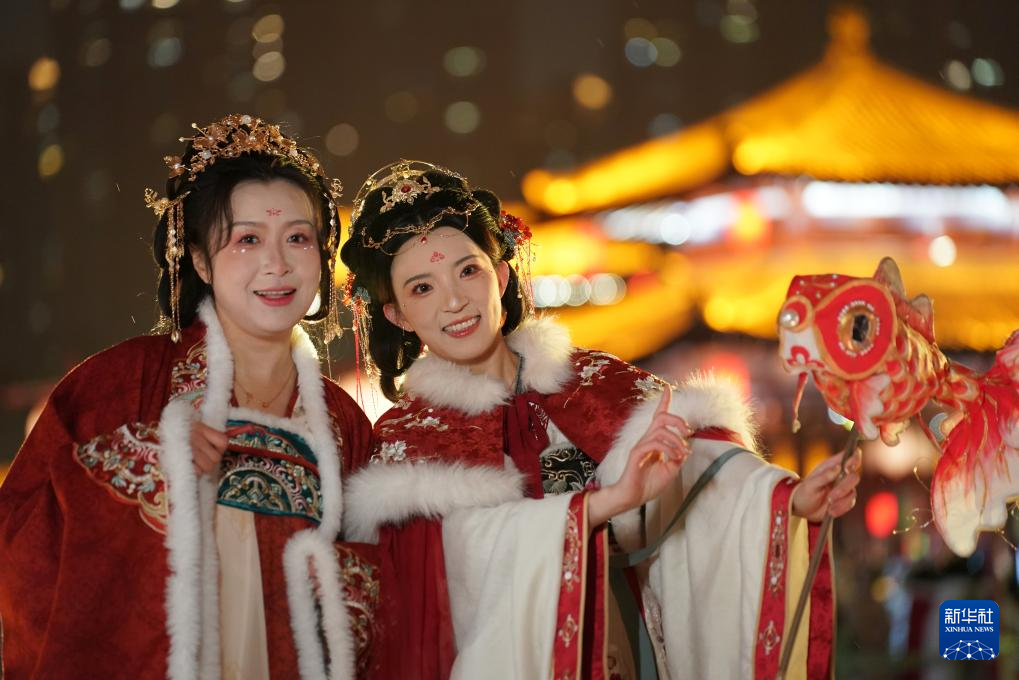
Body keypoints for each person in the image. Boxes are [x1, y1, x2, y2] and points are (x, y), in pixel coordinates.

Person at [338, 161, 862, 679]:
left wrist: (786, 500)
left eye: (468, 270)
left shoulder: (591, 380)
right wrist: (601, 506)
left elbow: (699, 463)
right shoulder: (405, 444)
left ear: (500, 275)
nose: (455, 300)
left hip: (627, 643)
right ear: (397, 315)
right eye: (422, 288)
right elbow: (436, 587)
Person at [0, 114, 378, 680]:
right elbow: (18, 540)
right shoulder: (121, 382)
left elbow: (393, 581)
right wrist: (148, 462)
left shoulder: (344, 421)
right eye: (247, 239)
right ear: (199, 259)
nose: (277, 264)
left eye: (298, 238)